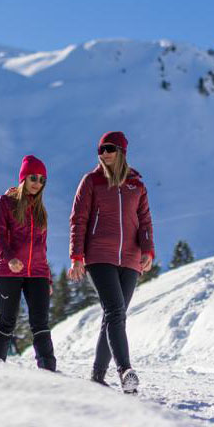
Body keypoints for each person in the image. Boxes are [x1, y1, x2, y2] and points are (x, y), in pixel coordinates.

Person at [68, 131, 154, 392]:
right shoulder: (91, 181)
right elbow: (78, 219)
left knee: (114, 315)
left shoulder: (136, 185)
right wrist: (77, 257)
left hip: (130, 258)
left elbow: (145, 221)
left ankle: (97, 375)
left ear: (122, 151)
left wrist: (148, 251)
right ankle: (125, 371)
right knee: (115, 311)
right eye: (101, 149)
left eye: (109, 148)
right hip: (99, 255)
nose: (104, 153)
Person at [0, 155, 57, 371]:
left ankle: (49, 371)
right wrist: (10, 259)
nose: (37, 183)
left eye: (42, 180)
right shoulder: (5, 203)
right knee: (7, 322)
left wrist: (48, 278)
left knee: (40, 323)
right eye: (33, 178)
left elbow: (42, 248)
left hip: (37, 273)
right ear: (23, 178)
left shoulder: (40, 210)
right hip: (8, 272)